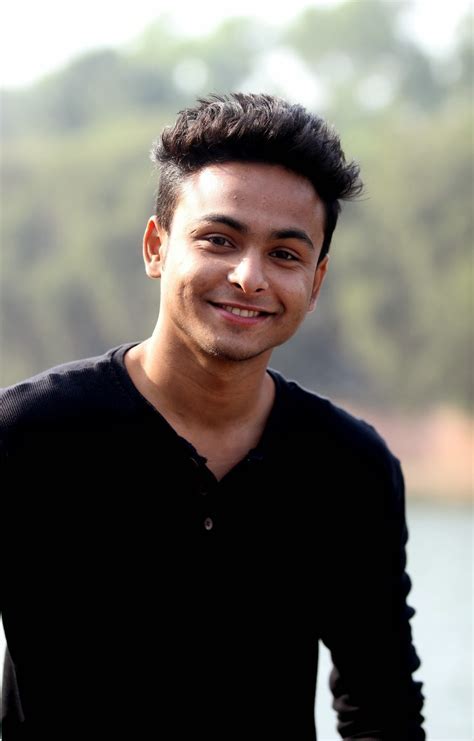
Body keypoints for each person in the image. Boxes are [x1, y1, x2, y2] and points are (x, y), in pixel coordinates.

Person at [1, 92, 425, 740]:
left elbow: (384, 710)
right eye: (219, 240)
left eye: (285, 254)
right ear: (157, 247)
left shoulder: (350, 467)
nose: (249, 276)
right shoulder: (27, 438)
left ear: (315, 282)